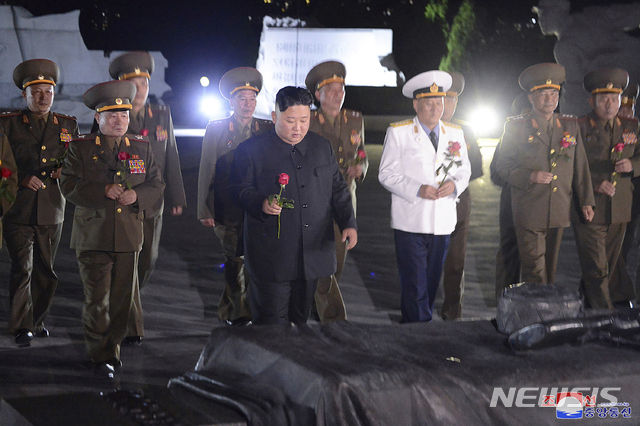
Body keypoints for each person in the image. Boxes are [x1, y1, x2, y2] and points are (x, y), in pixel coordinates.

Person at [60, 80, 164, 378]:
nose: (120, 121)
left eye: (124, 115)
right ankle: (101, 353)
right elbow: (68, 184)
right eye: (112, 115)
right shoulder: (80, 148)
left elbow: (157, 184)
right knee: (97, 299)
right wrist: (102, 190)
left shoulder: (141, 147)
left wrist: (137, 196)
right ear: (98, 117)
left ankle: (113, 345)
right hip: (93, 236)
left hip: (129, 237)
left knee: (121, 302)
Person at [230, 86, 357, 325]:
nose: (298, 128)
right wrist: (261, 203)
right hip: (272, 256)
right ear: (274, 116)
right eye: (290, 121)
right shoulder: (251, 151)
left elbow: (338, 189)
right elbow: (239, 190)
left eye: (304, 120)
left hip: (311, 254)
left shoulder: (321, 147)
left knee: (300, 321)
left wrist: (348, 223)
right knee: (271, 324)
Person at [379, 70, 471, 323]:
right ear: (416, 104)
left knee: (430, 283)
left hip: (442, 221)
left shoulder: (455, 133)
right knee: (415, 282)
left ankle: (414, 324)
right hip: (411, 221)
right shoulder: (399, 132)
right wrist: (416, 188)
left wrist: (454, 185)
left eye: (439, 103)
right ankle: (419, 329)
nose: (435, 109)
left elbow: (464, 170)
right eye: (428, 103)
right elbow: (386, 174)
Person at [108, 51, 186, 344]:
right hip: (123, 205)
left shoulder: (161, 115)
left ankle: (123, 300)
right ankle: (130, 324)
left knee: (148, 260)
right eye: (134, 84)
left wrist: (177, 195)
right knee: (127, 262)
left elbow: (171, 155)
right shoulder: (112, 116)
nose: (141, 89)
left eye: (144, 83)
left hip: (153, 203)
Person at [1, 59, 79, 346]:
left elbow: (79, 163)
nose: (43, 97)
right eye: (36, 92)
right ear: (24, 95)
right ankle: (22, 326)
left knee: (46, 270)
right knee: (23, 267)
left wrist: (65, 171)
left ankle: (37, 319)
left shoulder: (67, 125)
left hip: (51, 208)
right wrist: (21, 178)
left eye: (48, 92)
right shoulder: (8, 124)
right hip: (18, 207)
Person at [495, 62, 595, 285]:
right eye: (543, 94)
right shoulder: (516, 127)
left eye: (554, 93)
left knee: (550, 270)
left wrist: (586, 201)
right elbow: (502, 165)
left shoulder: (569, 126)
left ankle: (543, 304)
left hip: (558, 208)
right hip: (529, 208)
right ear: (531, 97)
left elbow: (580, 166)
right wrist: (529, 176)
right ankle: (535, 305)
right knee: (534, 270)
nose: (550, 99)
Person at [197, 67, 273, 326]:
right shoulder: (217, 129)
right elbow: (207, 169)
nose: (248, 104)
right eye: (242, 99)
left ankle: (239, 308)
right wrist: (205, 209)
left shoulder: (266, 128)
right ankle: (238, 311)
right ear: (231, 102)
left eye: (252, 99)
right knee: (234, 260)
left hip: (255, 208)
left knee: (254, 260)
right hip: (227, 208)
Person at [305, 61, 368, 322]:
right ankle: (332, 319)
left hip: (345, 201)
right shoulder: (308, 120)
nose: (337, 94)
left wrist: (361, 168)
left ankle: (316, 305)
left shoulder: (354, 119)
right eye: (330, 90)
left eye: (341, 89)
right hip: (317, 201)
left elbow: (361, 153)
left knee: (338, 263)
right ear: (318, 94)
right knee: (323, 262)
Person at [572, 68, 640, 309]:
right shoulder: (579, 127)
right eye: (604, 99)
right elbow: (569, 166)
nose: (610, 104)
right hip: (589, 207)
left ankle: (588, 306)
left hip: (619, 208)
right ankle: (604, 314)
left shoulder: (631, 126)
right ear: (592, 101)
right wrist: (593, 184)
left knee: (608, 266)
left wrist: (633, 165)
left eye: (614, 98)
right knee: (597, 267)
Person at [439, 71, 483, 320]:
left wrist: (455, 179)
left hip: (459, 202)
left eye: (453, 99)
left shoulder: (465, 130)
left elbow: (476, 166)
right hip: (429, 202)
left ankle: (452, 310)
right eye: (445, 98)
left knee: (456, 262)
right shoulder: (423, 128)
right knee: (426, 260)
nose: (449, 104)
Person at [491, 94, 530, 298]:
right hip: (512, 201)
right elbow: (495, 174)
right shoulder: (509, 136)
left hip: (539, 203)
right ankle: (505, 299)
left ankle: (533, 300)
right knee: (509, 250)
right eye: (524, 115)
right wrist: (518, 178)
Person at [610, 80, 640, 307]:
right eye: (623, 106)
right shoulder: (602, 127)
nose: (627, 112)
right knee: (618, 247)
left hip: (633, 196)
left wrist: (634, 165)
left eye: (631, 107)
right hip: (619, 197)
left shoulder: (636, 128)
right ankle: (616, 294)